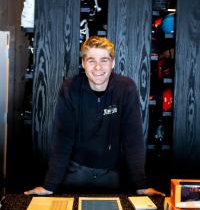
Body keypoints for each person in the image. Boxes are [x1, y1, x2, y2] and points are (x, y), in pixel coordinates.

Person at [25, 36, 165, 196]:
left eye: (104, 60)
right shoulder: (70, 88)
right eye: (91, 60)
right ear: (83, 63)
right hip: (75, 172)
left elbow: (133, 139)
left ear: (112, 63)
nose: (98, 67)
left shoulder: (126, 88)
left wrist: (141, 185)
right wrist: (49, 186)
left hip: (112, 174)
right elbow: (62, 139)